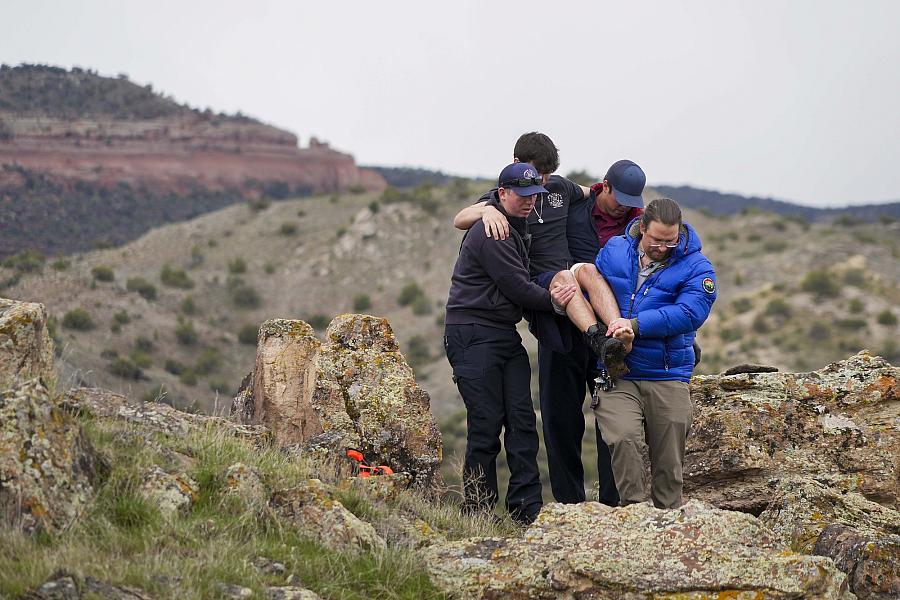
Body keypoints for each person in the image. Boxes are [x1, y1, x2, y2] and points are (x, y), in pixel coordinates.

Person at [453, 135, 642, 506]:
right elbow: (460, 218)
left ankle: (610, 333)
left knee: (584, 270)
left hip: (571, 280)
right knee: (534, 423)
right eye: (534, 177)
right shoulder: (503, 198)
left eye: (545, 176)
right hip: (543, 288)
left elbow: (591, 191)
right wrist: (485, 210)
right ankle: (556, 505)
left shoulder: (558, 189)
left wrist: (619, 200)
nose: (537, 187)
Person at [444, 161, 578, 525]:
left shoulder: (512, 225)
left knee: (521, 421)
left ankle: (526, 511)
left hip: (502, 333)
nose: (529, 202)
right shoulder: (493, 232)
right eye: (521, 195)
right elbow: (517, 287)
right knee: (486, 426)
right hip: (473, 333)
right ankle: (477, 514)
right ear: (502, 193)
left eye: (534, 196)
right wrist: (558, 301)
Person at [592, 197, 716, 508]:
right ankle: (634, 516)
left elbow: (690, 313)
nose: (662, 247)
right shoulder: (615, 251)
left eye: (670, 241)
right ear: (641, 229)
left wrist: (634, 325)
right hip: (619, 373)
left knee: (668, 463)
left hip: (667, 374)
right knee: (623, 439)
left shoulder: (697, 267)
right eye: (656, 240)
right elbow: (592, 288)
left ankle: (668, 520)